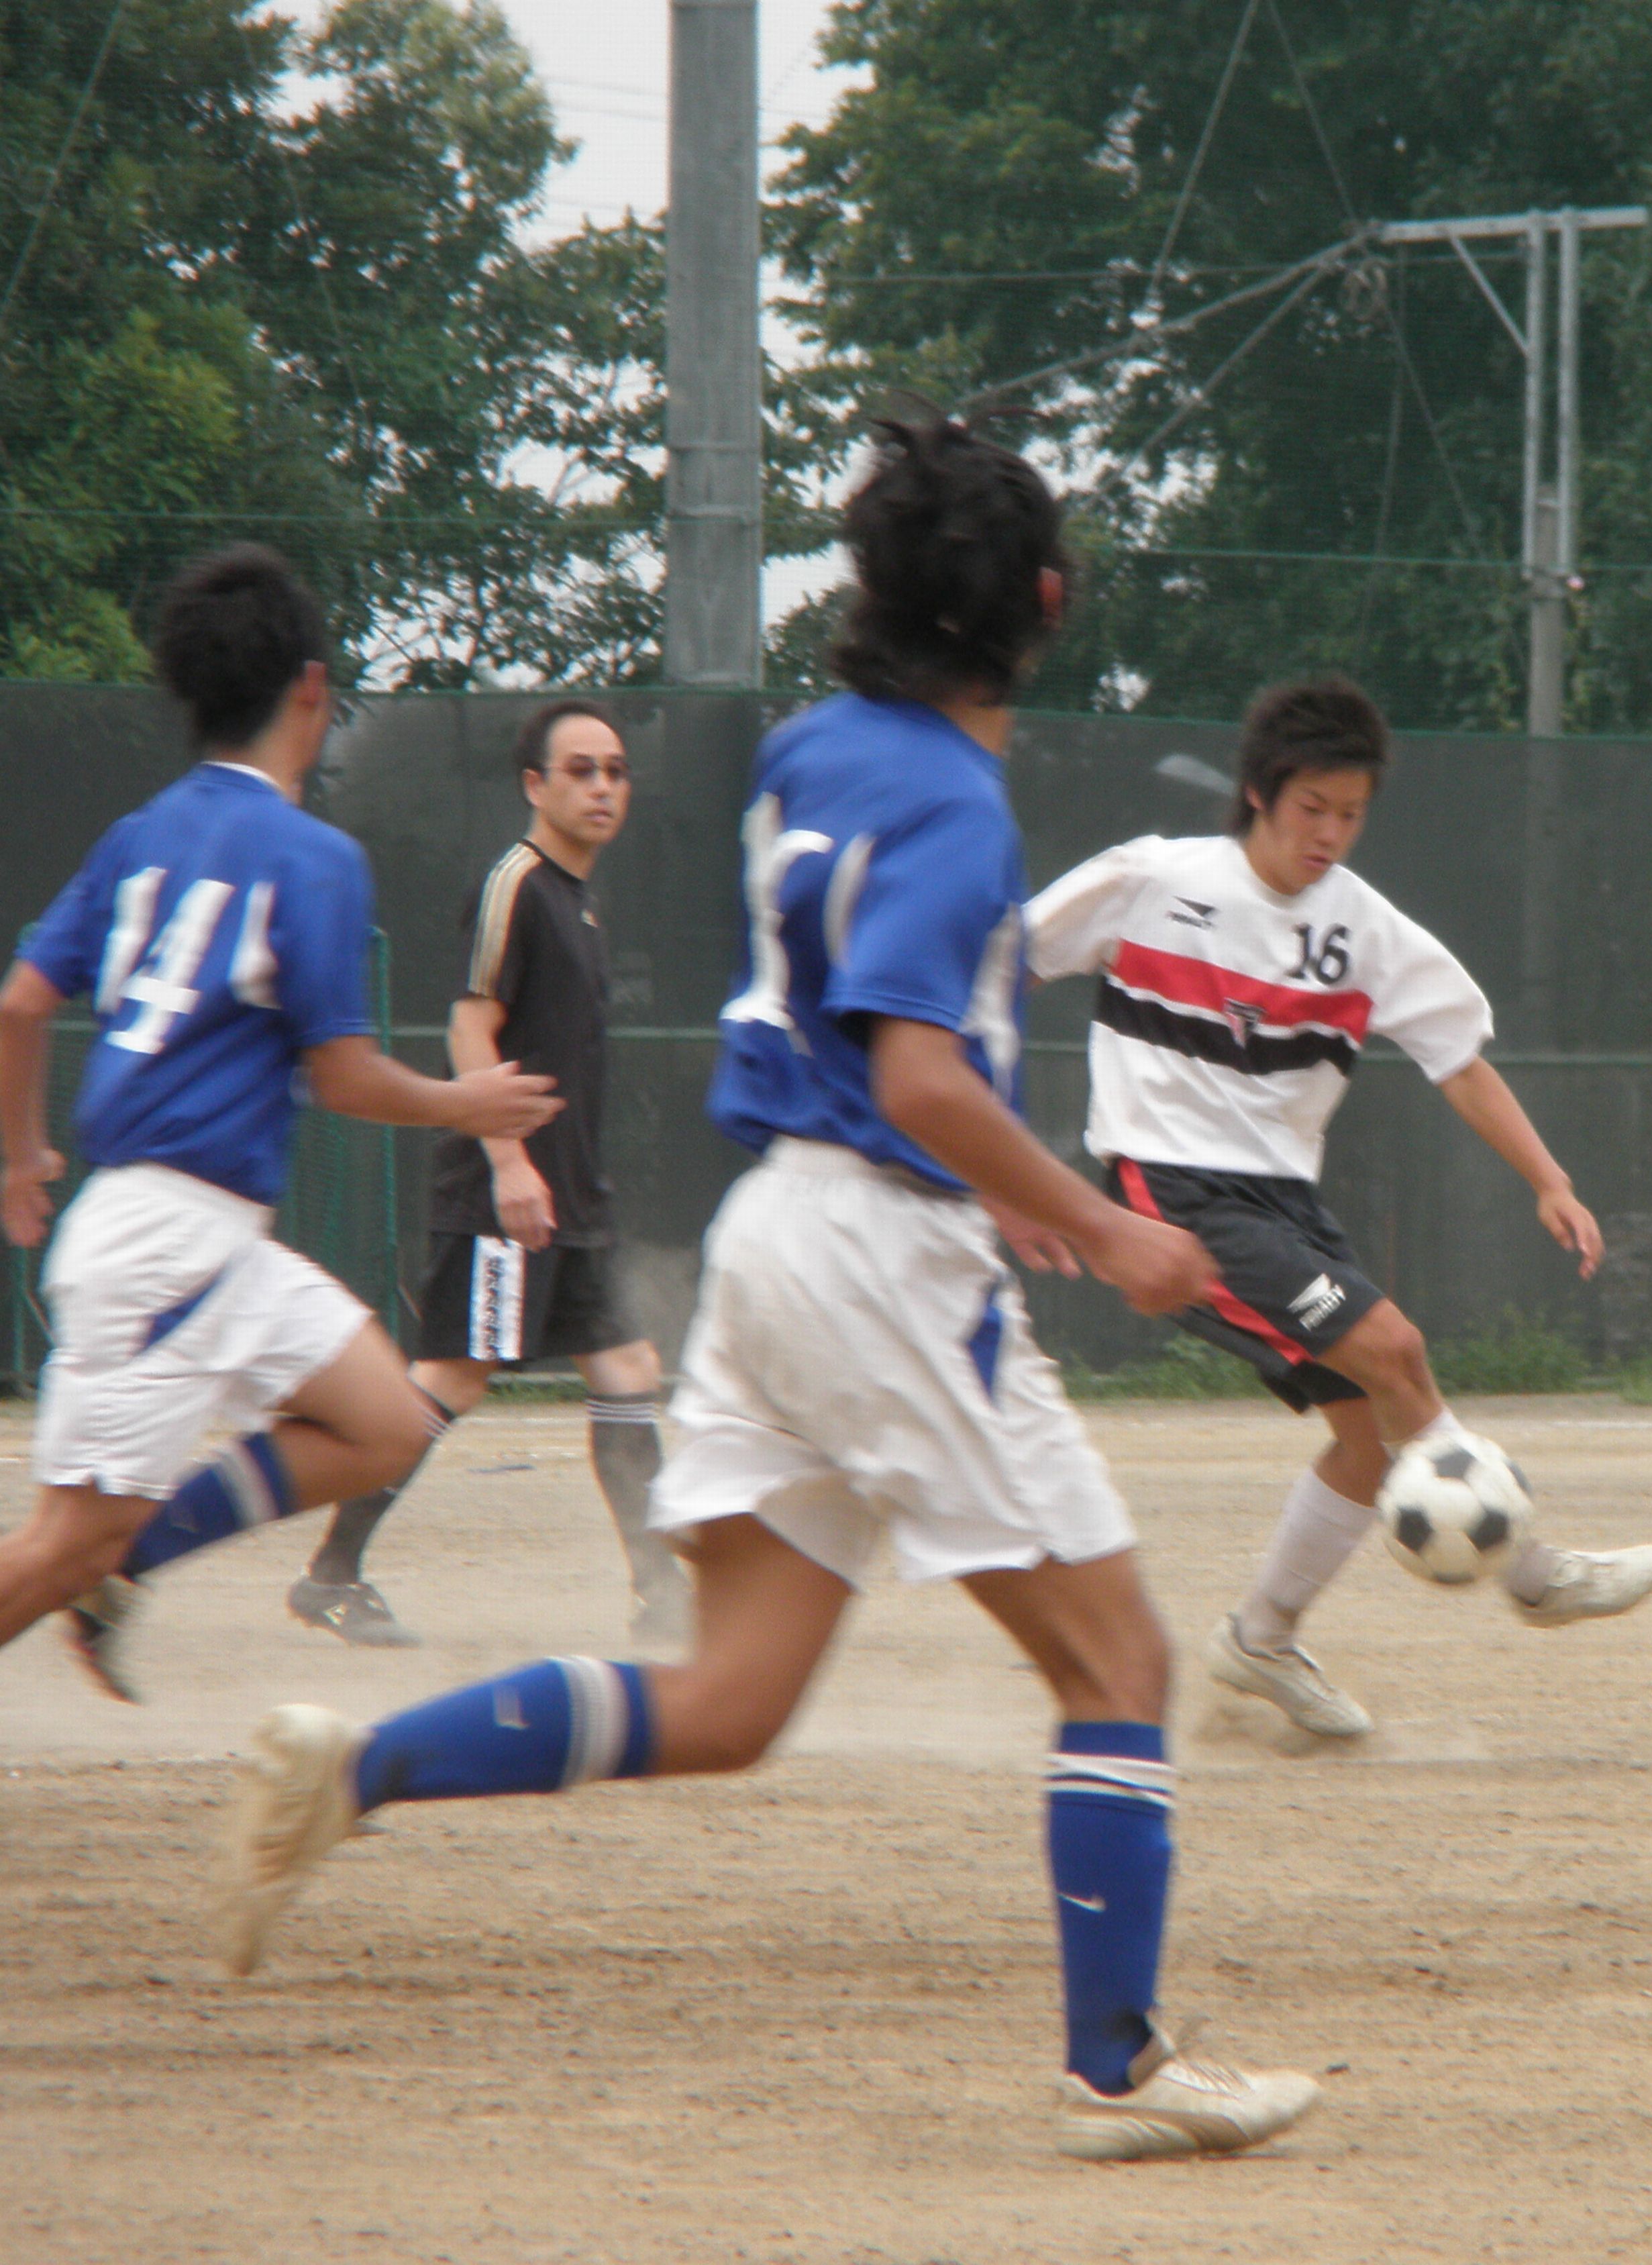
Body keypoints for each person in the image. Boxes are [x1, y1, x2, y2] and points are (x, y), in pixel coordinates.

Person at [217, 409, 1323, 2164]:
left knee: (729, 1703)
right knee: (1120, 1660)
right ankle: (1114, 2072)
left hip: (777, 1246)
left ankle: (356, 1767)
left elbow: (883, 1051)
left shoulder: (813, 750)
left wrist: (992, 1179)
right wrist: (1102, 1223)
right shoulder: (955, 798)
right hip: (882, 1253)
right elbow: (916, 1077)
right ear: (1040, 601)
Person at [1022, 676, 1652, 1744]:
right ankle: (1535, 1574)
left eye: (1352, 814)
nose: (1331, 833)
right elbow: (1002, 965)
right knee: (1396, 1349)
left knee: (1369, 1438)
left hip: (1282, 1202)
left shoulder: (1364, 930)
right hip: (1170, 1190)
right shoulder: (1154, 881)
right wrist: (1001, 1169)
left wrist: (1550, 1180)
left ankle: (1261, 1642)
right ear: (1262, 795)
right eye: (1313, 807)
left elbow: (1458, 1062)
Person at [0, 545, 561, 1701]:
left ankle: (131, 1564)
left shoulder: (142, 831)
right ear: (312, 688)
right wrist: (467, 1101)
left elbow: (20, 1000)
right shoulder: (311, 855)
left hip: (196, 1242)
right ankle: (105, 1565)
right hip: (169, 1248)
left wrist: (22, 1155)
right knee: (55, 1550)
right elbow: (343, 1077)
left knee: (387, 1422)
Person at [287, 698, 684, 1649]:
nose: (601, 786)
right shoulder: (518, 883)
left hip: (572, 1195)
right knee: (452, 1381)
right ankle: (332, 1573)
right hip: (509, 1195)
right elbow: (470, 1025)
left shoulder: (581, 898)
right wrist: (510, 1168)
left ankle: (662, 1594)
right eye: (580, 769)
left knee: (628, 1369)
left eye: (615, 770)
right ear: (534, 786)